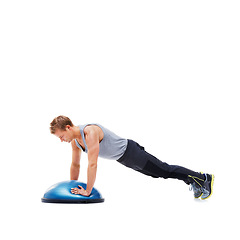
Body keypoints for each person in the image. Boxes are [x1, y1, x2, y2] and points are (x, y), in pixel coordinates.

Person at [50, 115, 214, 200]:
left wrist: (87, 191)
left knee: (163, 170)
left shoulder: (89, 132)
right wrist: (71, 184)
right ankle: (193, 180)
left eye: (61, 136)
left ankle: (202, 178)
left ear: (68, 127)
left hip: (131, 152)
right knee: (157, 174)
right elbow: (75, 165)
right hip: (124, 159)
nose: (61, 140)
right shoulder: (75, 142)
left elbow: (92, 164)